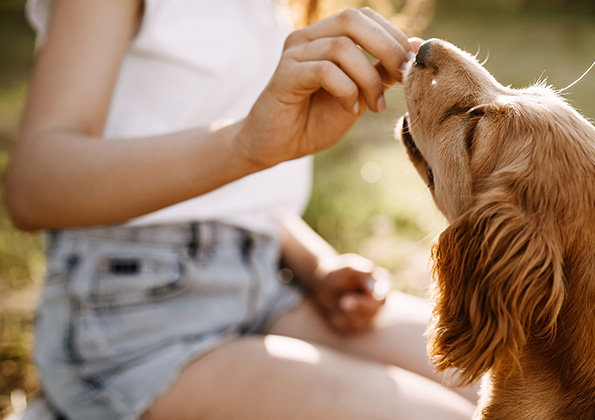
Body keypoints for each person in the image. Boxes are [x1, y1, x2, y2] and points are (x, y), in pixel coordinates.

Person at [3, 0, 477, 419]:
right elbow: (33, 187)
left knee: (518, 382)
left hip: (266, 286)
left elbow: (233, 200)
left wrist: (317, 266)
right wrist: (246, 143)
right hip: (133, 324)